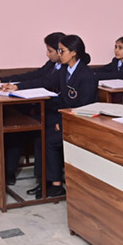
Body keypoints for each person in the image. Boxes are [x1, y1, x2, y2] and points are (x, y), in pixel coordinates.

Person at [0, 31, 65, 184]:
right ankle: (8, 171)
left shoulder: (65, 68)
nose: (47, 54)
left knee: (21, 128)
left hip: (54, 112)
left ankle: (35, 177)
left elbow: (46, 82)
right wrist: (4, 80)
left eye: (50, 51)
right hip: (42, 108)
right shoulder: (52, 64)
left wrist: (18, 87)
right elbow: (35, 75)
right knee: (14, 122)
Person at [37, 34, 97, 198]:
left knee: (50, 141)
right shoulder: (64, 70)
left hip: (81, 121)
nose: (59, 54)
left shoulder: (86, 75)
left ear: (73, 52)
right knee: (43, 134)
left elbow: (85, 107)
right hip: (66, 117)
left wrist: (63, 122)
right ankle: (47, 181)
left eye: (62, 51)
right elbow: (61, 97)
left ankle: (56, 184)